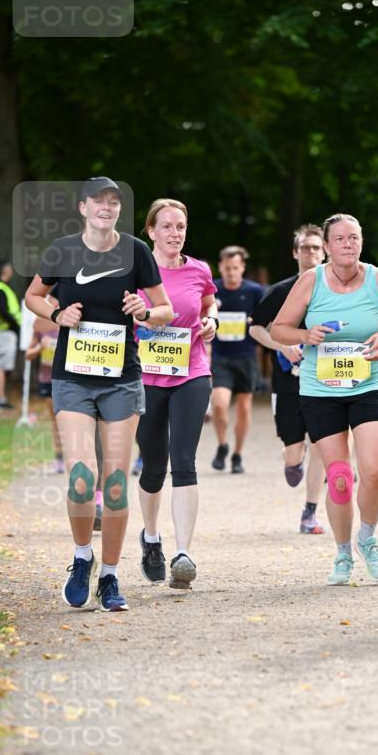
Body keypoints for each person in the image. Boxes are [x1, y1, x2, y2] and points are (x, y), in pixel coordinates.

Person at [25, 177, 173, 613]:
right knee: (81, 477)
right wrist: (56, 312)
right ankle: (81, 557)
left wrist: (145, 312)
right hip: (73, 379)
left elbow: (165, 309)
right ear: (84, 207)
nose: (107, 208)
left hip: (122, 381)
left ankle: (109, 575)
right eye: (99, 202)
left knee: (113, 483)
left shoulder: (136, 252)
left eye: (115, 203)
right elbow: (33, 295)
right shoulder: (63, 249)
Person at [272, 213, 378, 584]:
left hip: (368, 383)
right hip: (321, 389)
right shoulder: (310, 281)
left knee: (375, 472)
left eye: (354, 238)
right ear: (328, 246)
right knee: (339, 478)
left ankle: (367, 537)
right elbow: (278, 330)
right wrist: (306, 334)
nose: (348, 245)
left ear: (361, 243)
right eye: (340, 239)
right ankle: (343, 553)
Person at [135, 198, 218, 590]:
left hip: (191, 372)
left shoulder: (199, 269)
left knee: (184, 459)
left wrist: (212, 319)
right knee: (153, 465)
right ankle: (151, 538)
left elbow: (208, 301)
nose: (174, 233)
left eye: (180, 226)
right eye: (166, 226)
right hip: (146, 378)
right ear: (151, 231)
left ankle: (183, 554)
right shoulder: (136, 270)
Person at [249, 224, 327, 534]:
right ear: (295, 253)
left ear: (325, 252)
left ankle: (310, 513)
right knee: (295, 451)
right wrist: (281, 345)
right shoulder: (281, 291)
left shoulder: (336, 289)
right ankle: (292, 456)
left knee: (322, 445)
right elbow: (255, 327)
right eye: (305, 247)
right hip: (288, 382)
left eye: (316, 248)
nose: (311, 252)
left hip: (325, 381)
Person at [210, 246, 265, 473]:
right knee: (219, 404)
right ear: (221, 267)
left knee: (244, 406)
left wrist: (256, 320)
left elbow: (266, 317)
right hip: (221, 356)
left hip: (246, 356)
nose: (231, 272)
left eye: (235, 268)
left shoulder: (255, 291)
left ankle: (237, 454)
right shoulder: (212, 289)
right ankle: (223, 444)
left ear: (242, 268)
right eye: (227, 268)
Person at [24, 301, 63, 473]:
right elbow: (28, 355)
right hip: (48, 379)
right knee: (55, 420)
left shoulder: (69, 321)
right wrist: (41, 347)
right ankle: (60, 457)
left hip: (67, 378)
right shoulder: (40, 325)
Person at [0, 261, 21, 410]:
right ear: (6, 271)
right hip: (4, 332)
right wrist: (15, 325)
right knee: (0, 366)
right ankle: (0, 399)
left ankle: (0, 397)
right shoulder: (0, 289)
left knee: (0, 365)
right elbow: (4, 312)